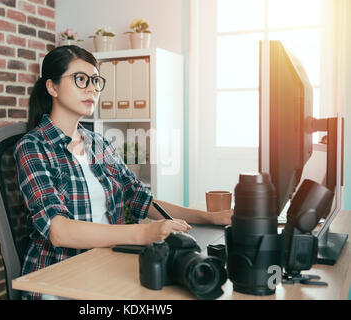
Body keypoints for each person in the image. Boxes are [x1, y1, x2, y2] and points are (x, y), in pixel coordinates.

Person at [13, 45, 233, 300]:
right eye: (81, 79)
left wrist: (208, 218)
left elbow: (139, 197)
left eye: (95, 81)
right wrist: (142, 233)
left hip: (104, 263)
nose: (92, 89)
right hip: (59, 278)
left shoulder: (98, 143)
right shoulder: (33, 146)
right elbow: (59, 231)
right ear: (52, 87)